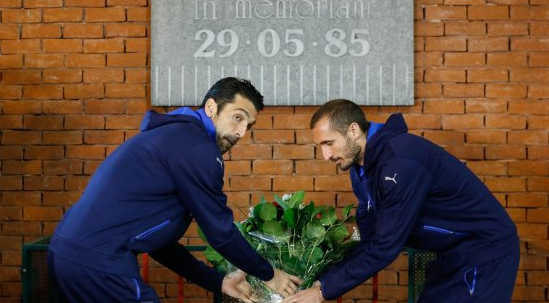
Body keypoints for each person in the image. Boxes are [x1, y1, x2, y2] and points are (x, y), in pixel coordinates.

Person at [48, 77, 301, 303]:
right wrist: (270, 276)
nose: (241, 132)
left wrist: (217, 281)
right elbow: (220, 233)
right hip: (100, 261)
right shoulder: (197, 148)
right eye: (237, 117)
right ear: (211, 107)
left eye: (249, 125)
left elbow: (159, 244)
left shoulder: (177, 137)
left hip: (66, 254)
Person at [283, 99, 519, 303]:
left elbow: (385, 246)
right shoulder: (361, 169)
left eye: (329, 143)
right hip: (450, 254)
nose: (325, 155)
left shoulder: (400, 162)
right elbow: (371, 239)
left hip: (484, 251)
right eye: (320, 146)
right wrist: (322, 281)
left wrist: (324, 292)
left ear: (353, 130)